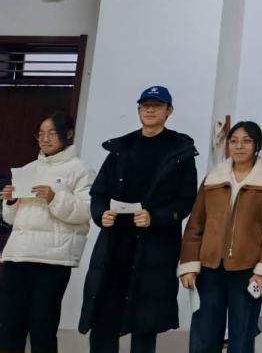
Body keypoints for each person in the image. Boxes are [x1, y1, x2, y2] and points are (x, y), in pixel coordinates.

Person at [79, 85, 199, 353]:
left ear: (169, 111)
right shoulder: (121, 147)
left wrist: (155, 217)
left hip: (154, 251)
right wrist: (101, 214)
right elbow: (98, 193)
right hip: (114, 247)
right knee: (103, 319)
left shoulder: (180, 151)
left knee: (145, 323)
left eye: (157, 106)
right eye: (145, 105)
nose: (150, 110)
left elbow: (186, 200)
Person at [178, 121, 262, 353]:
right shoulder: (213, 179)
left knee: (242, 336)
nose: (239, 146)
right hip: (209, 268)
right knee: (204, 335)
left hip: (248, 270)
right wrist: (189, 265)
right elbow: (195, 224)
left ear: (257, 145)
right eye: (233, 141)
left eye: (246, 141)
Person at [0, 112, 92, 353]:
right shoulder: (28, 169)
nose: (45, 138)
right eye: (40, 134)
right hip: (17, 255)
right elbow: (11, 219)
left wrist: (53, 197)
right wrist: (11, 201)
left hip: (52, 259)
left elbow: (85, 211)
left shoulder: (80, 169)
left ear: (68, 134)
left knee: (42, 327)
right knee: (9, 326)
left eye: (51, 133)